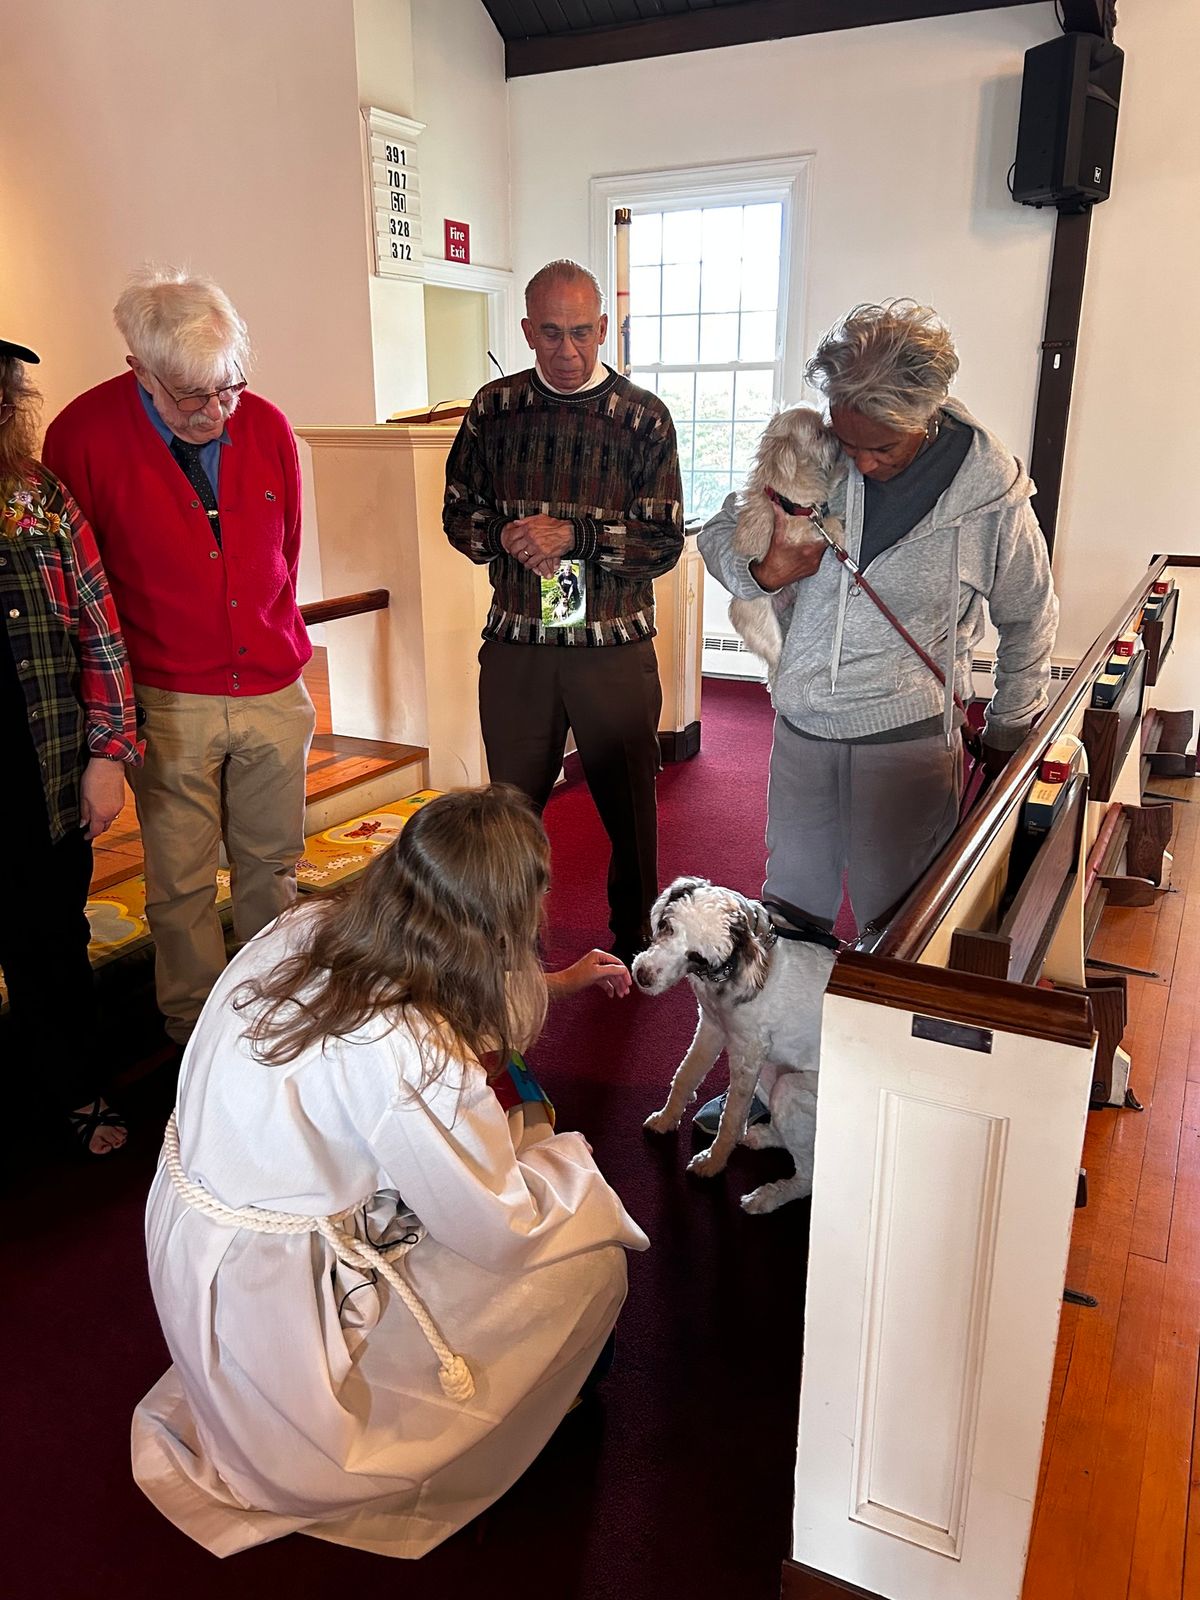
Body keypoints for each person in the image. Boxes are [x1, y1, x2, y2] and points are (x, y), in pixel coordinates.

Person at [132, 785, 647, 1559]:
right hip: (274, 1294)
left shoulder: (307, 922)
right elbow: (497, 1228)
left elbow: (443, 1002)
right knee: (589, 1260)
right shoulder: (409, 1048)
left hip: (197, 1240)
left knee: (505, 1138)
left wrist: (556, 985)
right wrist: (569, 1168)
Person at [700, 300, 1058, 940]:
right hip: (802, 724)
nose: (860, 464)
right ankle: (788, 1040)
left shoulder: (990, 502)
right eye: (849, 441)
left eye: (882, 447)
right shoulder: (816, 450)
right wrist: (762, 572)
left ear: (924, 419)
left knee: (901, 929)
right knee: (788, 917)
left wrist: (1009, 729)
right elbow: (719, 530)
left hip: (908, 743)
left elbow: (1030, 618)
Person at [43, 268, 315, 1048]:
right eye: (191, 396)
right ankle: (196, 1035)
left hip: (271, 682)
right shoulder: (82, 435)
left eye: (226, 389)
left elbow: (283, 551)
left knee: (273, 866)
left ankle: (279, 1011)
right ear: (141, 372)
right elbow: (79, 585)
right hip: (165, 693)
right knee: (181, 882)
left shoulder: (263, 423)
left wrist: (269, 635)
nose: (215, 412)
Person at [443, 260, 684, 966]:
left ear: (604, 328)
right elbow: (460, 516)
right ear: (526, 330)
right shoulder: (494, 408)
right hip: (519, 644)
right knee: (508, 814)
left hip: (612, 646)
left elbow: (664, 542)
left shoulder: (644, 417)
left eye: (582, 333)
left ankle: (637, 937)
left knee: (630, 810)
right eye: (550, 334)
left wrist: (577, 536)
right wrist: (504, 537)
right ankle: (504, 944)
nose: (568, 352)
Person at [0, 337, 141, 1153]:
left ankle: (78, 1087)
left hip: (45, 765)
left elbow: (100, 631)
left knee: (53, 942)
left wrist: (106, 755)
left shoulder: (40, 496)